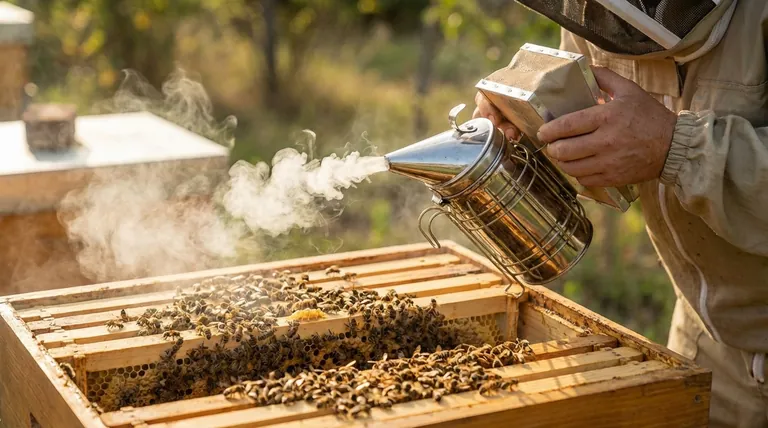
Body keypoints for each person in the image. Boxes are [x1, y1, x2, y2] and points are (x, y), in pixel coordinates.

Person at [472, 1, 768, 427]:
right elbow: (593, 129)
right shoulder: (593, 9)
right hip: (705, 343)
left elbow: (660, 145)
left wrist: (674, 146)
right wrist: (528, 124)